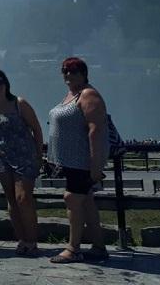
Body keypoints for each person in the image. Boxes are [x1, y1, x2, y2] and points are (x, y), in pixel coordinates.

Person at [47, 57, 110, 264]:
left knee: (72, 199)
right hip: (70, 161)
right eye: (65, 70)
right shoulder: (71, 95)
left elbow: (95, 131)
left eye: (74, 71)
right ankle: (99, 247)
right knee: (86, 202)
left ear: (83, 73)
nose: (68, 74)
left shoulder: (88, 94)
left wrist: (95, 165)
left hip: (82, 161)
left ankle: (73, 248)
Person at [0, 68, 43, 256]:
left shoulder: (19, 103)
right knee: (11, 198)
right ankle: (22, 240)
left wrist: (39, 155)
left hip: (24, 156)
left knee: (23, 198)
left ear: (6, 83)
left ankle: (32, 241)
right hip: (0, 157)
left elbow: (36, 128)